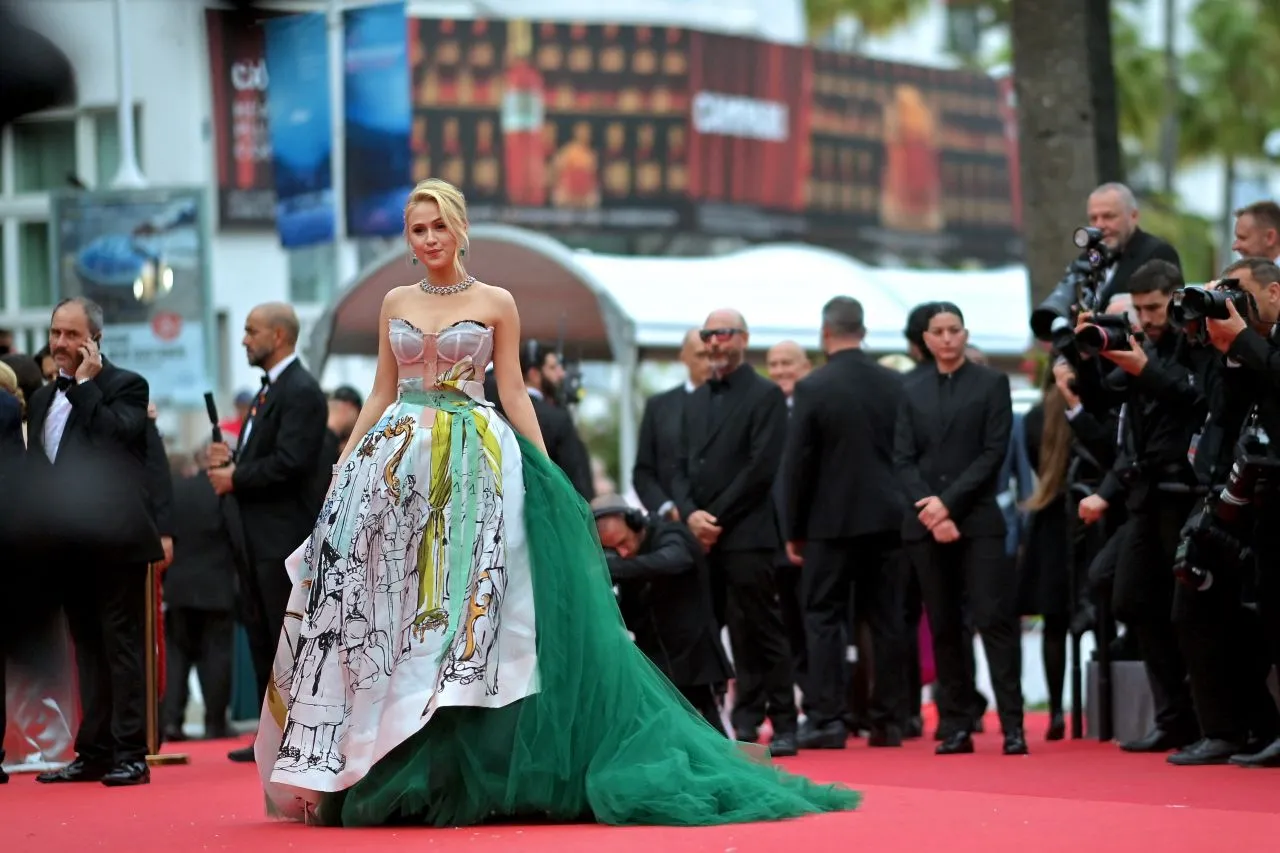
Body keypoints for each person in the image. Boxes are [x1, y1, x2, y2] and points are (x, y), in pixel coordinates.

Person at [253, 178, 858, 827]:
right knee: (393, 618)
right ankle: (383, 755)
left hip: (473, 462)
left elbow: (513, 393)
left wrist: (546, 470)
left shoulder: (496, 301)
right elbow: (380, 389)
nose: (427, 238)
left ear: (459, 228)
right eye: (416, 228)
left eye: (437, 226)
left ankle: (468, 759)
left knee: (470, 619)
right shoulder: (395, 299)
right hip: (397, 466)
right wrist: (349, 455)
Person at [24, 297, 163, 786]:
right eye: (55, 332)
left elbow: (118, 441)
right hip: (66, 549)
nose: (60, 343)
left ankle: (131, 753)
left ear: (93, 340)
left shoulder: (125, 385)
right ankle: (94, 750)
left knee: (121, 648)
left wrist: (86, 386)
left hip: (115, 544)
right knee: (86, 650)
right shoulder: (41, 399)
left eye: (70, 334)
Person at [894, 301, 1026, 756]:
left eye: (955, 330)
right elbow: (903, 458)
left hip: (979, 520)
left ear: (965, 334)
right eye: (939, 331)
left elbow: (994, 453)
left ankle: (1012, 724)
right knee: (945, 624)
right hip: (926, 524)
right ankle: (955, 724)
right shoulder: (909, 389)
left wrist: (947, 506)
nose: (948, 338)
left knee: (994, 620)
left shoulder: (992, 383)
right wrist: (932, 511)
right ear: (926, 340)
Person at [206, 302, 329, 763]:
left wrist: (236, 476)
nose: (243, 340)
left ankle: (293, 735)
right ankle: (270, 733)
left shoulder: (300, 390)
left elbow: (292, 462)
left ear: (278, 336)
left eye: (250, 330)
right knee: (261, 634)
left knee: (286, 637)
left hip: (283, 537)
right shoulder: (271, 391)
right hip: (256, 537)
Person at [782, 296, 907, 749]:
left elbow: (798, 464)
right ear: (863, 330)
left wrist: (793, 527)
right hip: (888, 520)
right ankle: (889, 720)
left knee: (823, 619)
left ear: (825, 332)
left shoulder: (814, 387)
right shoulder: (895, 385)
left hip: (829, 524)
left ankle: (828, 718)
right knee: (887, 620)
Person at [592, 495, 732, 735]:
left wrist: (611, 567)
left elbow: (671, 561)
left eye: (623, 543)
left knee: (712, 737)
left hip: (695, 661)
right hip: (655, 662)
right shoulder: (627, 561)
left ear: (635, 522)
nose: (622, 553)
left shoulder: (671, 535)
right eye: (612, 550)